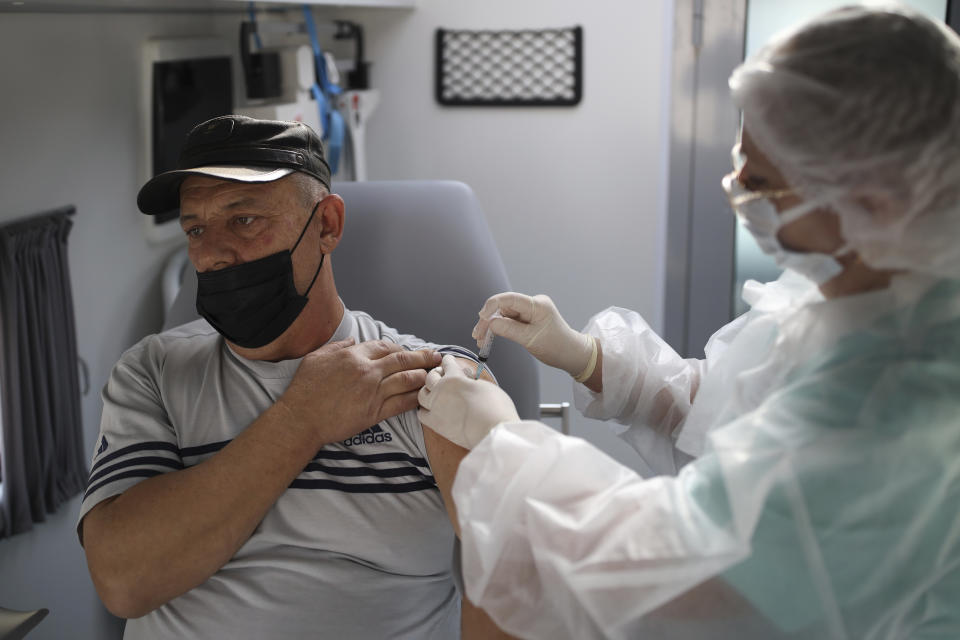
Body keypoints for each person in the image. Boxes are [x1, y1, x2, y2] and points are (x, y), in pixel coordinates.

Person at [417, 5, 960, 639]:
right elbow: (736, 402)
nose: (738, 191)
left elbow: (662, 577)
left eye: (760, 182)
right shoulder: (863, 281)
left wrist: (498, 446)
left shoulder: (901, 399)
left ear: (870, 198)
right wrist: (586, 357)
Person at [77, 115, 508, 639]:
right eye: (195, 228)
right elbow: (124, 580)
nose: (210, 254)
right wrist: (301, 418)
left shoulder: (427, 381)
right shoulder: (154, 373)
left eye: (244, 220)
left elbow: (514, 574)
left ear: (326, 225)